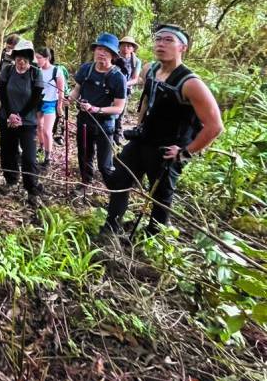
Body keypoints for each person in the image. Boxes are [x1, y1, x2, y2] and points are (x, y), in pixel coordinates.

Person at [102, 24, 223, 236]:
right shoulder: (151, 70)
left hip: (167, 148)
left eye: (168, 40)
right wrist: (139, 124)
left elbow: (215, 126)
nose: (161, 44)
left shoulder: (190, 83)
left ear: (182, 48)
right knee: (120, 179)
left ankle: (153, 237)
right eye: (158, 39)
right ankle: (111, 228)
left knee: (160, 195)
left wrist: (185, 152)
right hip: (143, 140)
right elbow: (147, 99)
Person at [66, 33, 127, 191]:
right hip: (84, 120)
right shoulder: (86, 69)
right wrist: (70, 99)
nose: (101, 53)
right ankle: (85, 183)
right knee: (84, 154)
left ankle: (114, 190)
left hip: (105, 125)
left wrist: (97, 109)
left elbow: (119, 107)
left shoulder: (118, 77)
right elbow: (77, 89)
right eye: (99, 49)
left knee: (104, 164)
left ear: (113, 55)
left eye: (106, 51)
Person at [0, 39, 44, 208]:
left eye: (25, 60)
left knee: (29, 157)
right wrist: (10, 114)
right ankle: (11, 180)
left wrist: (19, 116)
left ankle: (32, 189)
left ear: (30, 60)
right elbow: (2, 93)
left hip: (28, 122)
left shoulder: (36, 73)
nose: (22, 63)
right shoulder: (7, 71)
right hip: (7, 118)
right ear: (14, 58)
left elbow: (35, 98)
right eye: (19, 59)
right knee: (8, 151)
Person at [35, 46, 64, 167]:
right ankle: (41, 148)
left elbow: (61, 90)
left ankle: (48, 157)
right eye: (35, 57)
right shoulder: (37, 70)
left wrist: (60, 106)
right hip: (38, 101)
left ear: (46, 58)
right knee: (39, 127)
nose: (37, 60)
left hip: (51, 103)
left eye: (39, 58)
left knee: (47, 131)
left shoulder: (56, 70)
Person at [113, 34, 142, 144]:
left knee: (120, 113)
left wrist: (123, 84)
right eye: (123, 46)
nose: (126, 48)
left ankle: (117, 136)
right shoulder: (113, 57)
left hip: (124, 90)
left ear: (133, 48)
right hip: (110, 88)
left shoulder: (136, 61)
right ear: (119, 47)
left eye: (129, 46)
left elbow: (135, 78)